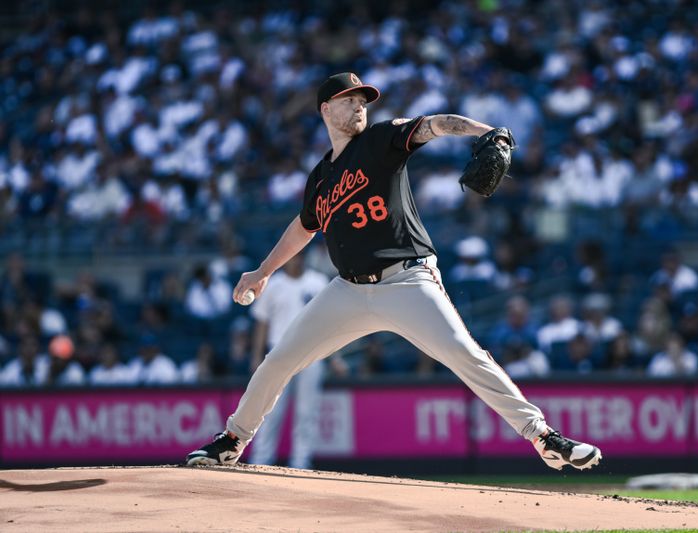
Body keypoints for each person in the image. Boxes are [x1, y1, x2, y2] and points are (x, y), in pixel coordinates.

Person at [185, 72, 601, 471]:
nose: (360, 106)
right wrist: (262, 271)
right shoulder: (321, 176)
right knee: (278, 361)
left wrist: (486, 131)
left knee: (466, 355)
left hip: (407, 280)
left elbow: (436, 124)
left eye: (363, 100)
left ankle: (543, 438)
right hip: (347, 290)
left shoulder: (382, 139)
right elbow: (303, 227)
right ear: (326, 109)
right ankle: (233, 440)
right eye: (350, 101)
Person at [248, 253, 331, 469]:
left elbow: (329, 322)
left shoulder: (318, 282)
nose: (297, 260)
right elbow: (262, 323)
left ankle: (301, 463)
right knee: (270, 411)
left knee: (307, 412)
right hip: (279, 353)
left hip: (311, 352)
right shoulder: (273, 285)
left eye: (301, 256)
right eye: (293, 257)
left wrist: (334, 355)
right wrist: (257, 356)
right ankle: (261, 461)